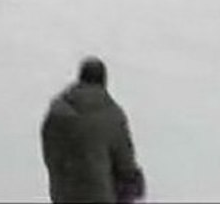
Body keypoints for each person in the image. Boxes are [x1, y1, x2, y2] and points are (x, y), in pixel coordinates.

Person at [41, 57, 145, 204]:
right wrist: (133, 183)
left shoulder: (57, 112)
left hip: (63, 194)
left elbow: (50, 153)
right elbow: (124, 161)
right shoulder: (111, 114)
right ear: (103, 81)